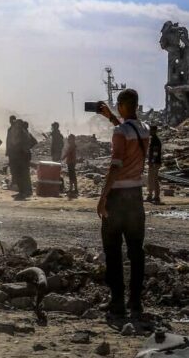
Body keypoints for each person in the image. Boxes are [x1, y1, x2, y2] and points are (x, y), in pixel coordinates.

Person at [96, 89, 149, 317]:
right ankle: (135, 302)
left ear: (123, 106)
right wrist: (110, 117)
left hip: (118, 198)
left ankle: (117, 301)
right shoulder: (144, 129)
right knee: (136, 250)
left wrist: (103, 197)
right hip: (136, 196)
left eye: (118, 105)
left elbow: (115, 165)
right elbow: (128, 131)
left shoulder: (120, 132)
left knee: (113, 249)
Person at [146, 125, 162, 204]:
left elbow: (155, 152)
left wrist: (152, 161)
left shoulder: (155, 140)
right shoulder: (154, 139)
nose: (149, 132)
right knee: (154, 179)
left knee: (152, 179)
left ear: (154, 131)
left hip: (155, 163)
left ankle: (151, 195)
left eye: (151, 130)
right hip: (156, 162)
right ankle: (156, 196)